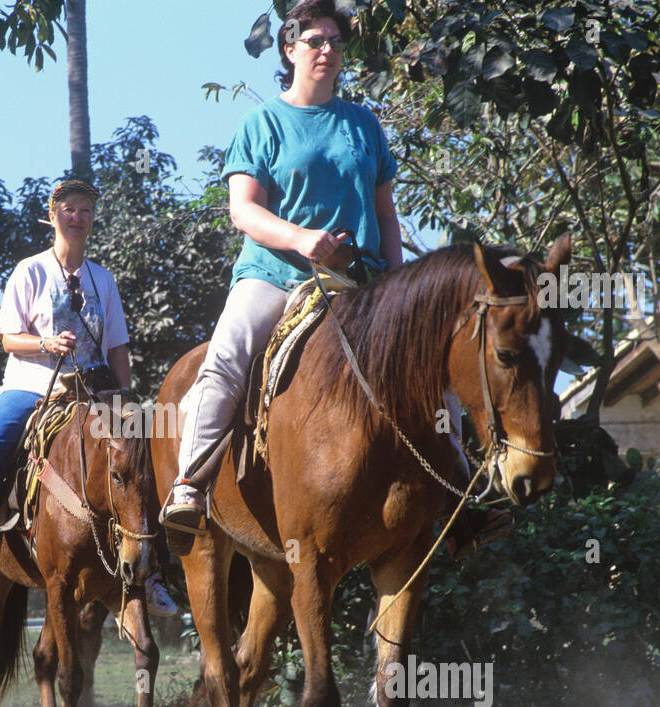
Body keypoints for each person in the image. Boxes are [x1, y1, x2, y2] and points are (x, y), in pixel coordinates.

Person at [162, 0, 506, 553]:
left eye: (335, 42)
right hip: (275, 275)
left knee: (433, 368)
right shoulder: (262, 123)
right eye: (315, 41)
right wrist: (302, 240)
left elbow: (387, 216)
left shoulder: (363, 124)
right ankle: (189, 485)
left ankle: (460, 493)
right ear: (289, 49)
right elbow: (243, 211)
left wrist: (399, 287)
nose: (327, 50)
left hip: (362, 286)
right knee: (226, 357)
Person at [0, 179, 177, 616]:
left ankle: (154, 572)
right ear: (52, 215)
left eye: (85, 210)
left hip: (93, 391)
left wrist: (127, 400)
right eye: (69, 209)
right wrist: (46, 344)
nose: (77, 217)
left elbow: (117, 348)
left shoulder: (102, 279)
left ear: (93, 221)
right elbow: (8, 339)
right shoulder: (30, 270)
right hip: (32, 386)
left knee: (144, 455)